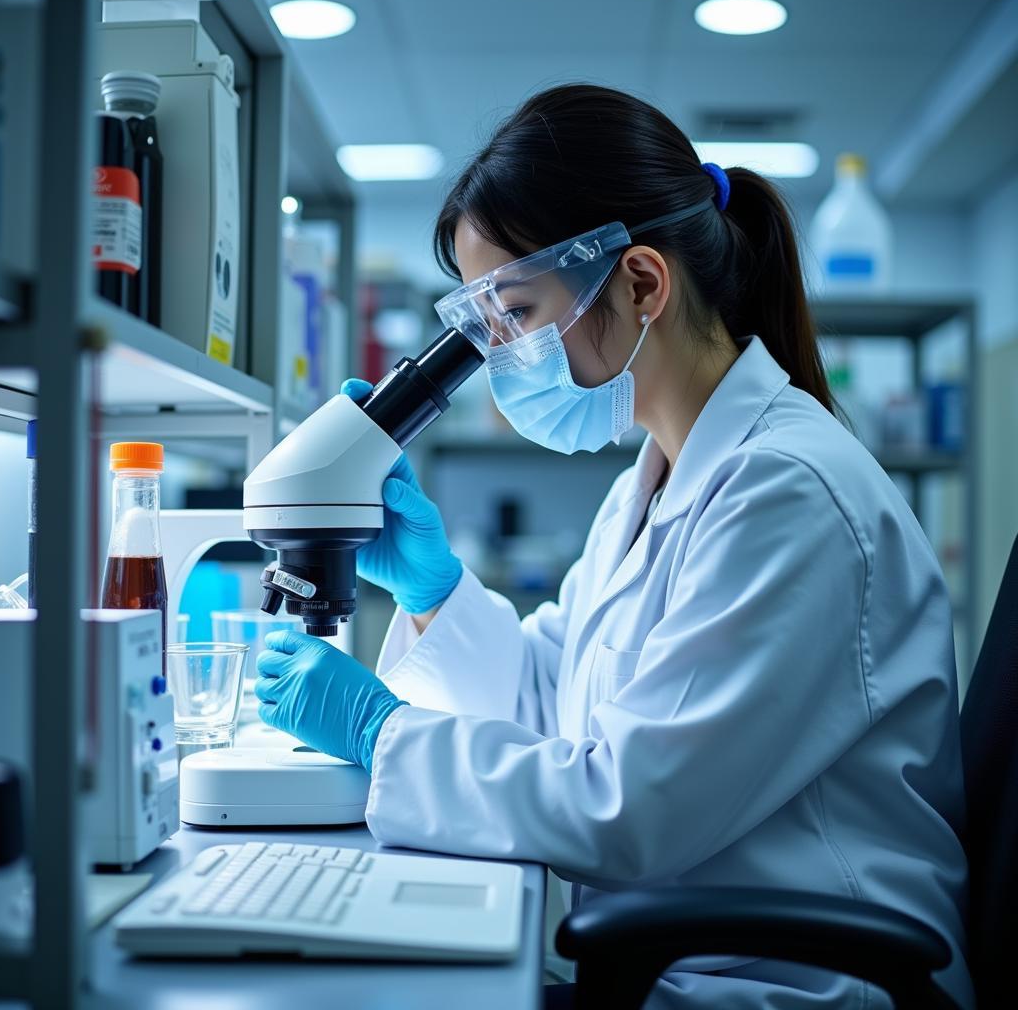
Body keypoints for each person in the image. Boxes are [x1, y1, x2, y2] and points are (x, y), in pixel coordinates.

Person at [254, 84, 972, 1009]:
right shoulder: (657, 475)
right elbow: (559, 701)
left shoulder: (790, 494)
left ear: (640, 282)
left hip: (793, 982)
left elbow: (629, 806)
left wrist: (376, 730)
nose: (501, 354)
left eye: (513, 314)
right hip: (690, 953)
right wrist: (435, 593)